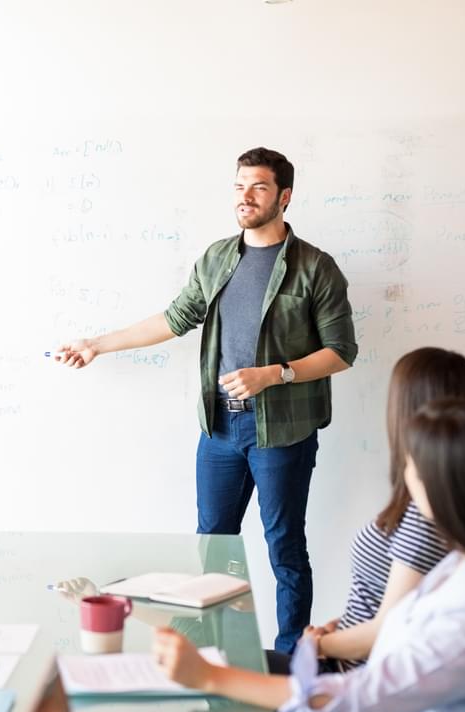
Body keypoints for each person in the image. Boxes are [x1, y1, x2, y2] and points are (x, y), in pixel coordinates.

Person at [56, 147, 357, 653]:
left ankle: (289, 663)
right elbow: (172, 320)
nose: (246, 196)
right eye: (239, 186)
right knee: (215, 545)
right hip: (218, 430)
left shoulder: (315, 268)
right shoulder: (218, 258)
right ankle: (225, 652)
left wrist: (274, 374)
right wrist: (96, 344)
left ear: (283, 196)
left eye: (258, 187)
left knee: (284, 548)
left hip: (281, 431)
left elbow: (341, 352)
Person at [153, 401, 465, 712]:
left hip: (353, 697)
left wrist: (211, 676)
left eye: (410, 466)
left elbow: (361, 697)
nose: (404, 476)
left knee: (201, 698)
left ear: (440, 484)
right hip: (348, 685)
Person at [295, 347, 465, 673]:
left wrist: (317, 645)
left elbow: (387, 628)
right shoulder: (442, 503)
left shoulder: (425, 517)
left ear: (405, 411)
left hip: (352, 679)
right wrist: (338, 628)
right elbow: (390, 606)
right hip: (348, 657)